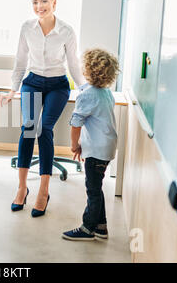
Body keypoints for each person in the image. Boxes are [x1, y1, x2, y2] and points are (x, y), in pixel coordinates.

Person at [0, 0, 86, 217]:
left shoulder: (66, 31)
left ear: (54, 3)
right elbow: (20, 61)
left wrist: (85, 88)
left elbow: (74, 64)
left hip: (58, 85)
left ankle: (44, 191)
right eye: (35, 2)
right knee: (29, 126)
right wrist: (12, 90)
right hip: (33, 82)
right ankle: (22, 187)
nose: (40, 6)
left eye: (44, 1)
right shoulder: (27, 28)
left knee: (44, 128)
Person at [62, 48, 119, 241]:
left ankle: (87, 228)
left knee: (92, 190)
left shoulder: (87, 96)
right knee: (97, 186)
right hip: (107, 147)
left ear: (87, 70)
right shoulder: (106, 93)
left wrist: (74, 145)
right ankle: (101, 226)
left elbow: (76, 124)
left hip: (97, 150)